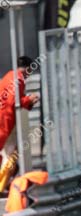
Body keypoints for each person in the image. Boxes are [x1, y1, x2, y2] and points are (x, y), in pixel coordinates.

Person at [0, 56, 40, 193]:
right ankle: (1, 185)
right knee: (10, 155)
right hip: (5, 121)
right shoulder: (19, 79)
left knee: (9, 154)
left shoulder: (8, 75)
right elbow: (13, 101)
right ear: (29, 68)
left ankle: (4, 185)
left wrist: (27, 102)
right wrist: (29, 99)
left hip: (4, 119)